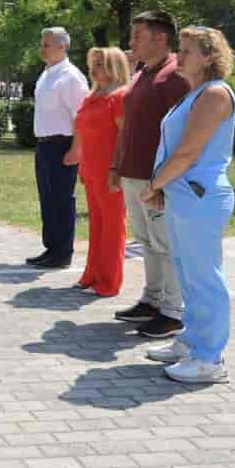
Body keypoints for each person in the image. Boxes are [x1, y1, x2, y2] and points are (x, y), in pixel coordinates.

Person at [141, 27, 235, 383]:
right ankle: (193, 342)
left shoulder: (214, 94)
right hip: (184, 195)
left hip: (200, 196)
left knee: (204, 278)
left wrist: (154, 185)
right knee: (187, 275)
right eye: (180, 49)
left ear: (210, 56)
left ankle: (210, 360)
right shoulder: (194, 93)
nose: (178, 57)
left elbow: (187, 151)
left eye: (187, 51)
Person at [111, 10, 192, 338]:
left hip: (156, 177)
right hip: (134, 172)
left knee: (165, 243)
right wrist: (117, 165)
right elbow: (128, 124)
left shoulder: (175, 76)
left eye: (138, 36)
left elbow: (183, 132)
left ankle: (173, 312)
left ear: (161, 38)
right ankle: (153, 299)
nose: (132, 43)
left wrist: (164, 182)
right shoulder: (143, 72)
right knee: (146, 241)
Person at [67, 47, 130, 297]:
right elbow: (83, 133)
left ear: (115, 66)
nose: (94, 69)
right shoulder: (92, 96)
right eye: (93, 64)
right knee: (97, 226)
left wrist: (116, 170)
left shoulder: (120, 96)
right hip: (91, 170)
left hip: (111, 172)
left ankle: (109, 282)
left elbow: (125, 137)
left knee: (113, 228)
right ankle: (92, 274)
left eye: (101, 64)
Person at [26, 27, 89, 269]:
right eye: (42, 44)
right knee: (48, 199)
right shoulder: (47, 74)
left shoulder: (71, 76)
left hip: (62, 145)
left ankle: (63, 252)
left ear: (62, 46)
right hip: (44, 145)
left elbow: (81, 117)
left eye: (47, 45)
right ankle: (51, 247)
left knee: (62, 200)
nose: (42, 49)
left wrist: (76, 149)